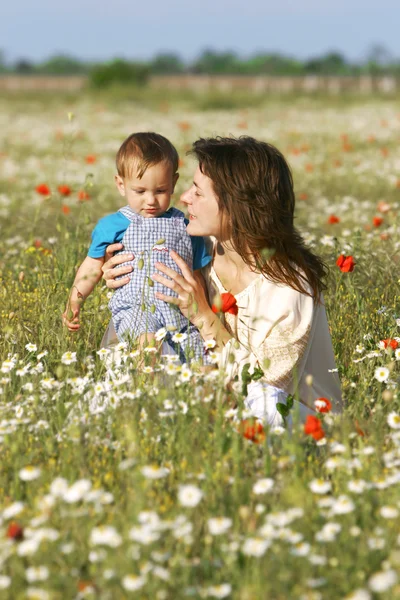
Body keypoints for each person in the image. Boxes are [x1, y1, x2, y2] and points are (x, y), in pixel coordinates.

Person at [100, 136, 343, 427]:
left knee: (265, 402)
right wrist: (121, 274)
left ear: (237, 205)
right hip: (213, 398)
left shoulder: (291, 287)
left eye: (198, 193)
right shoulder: (198, 250)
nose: (185, 198)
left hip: (298, 423)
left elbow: (265, 386)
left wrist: (204, 316)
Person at [62, 132, 212, 362]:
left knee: (202, 360)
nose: (151, 200)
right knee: (147, 347)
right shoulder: (113, 225)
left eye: (160, 190)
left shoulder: (186, 226)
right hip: (136, 308)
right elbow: (92, 266)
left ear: (173, 182)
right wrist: (75, 301)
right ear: (121, 185)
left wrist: (204, 311)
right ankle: (144, 391)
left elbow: (195, 274)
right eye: (140, 191)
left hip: (180, 313)